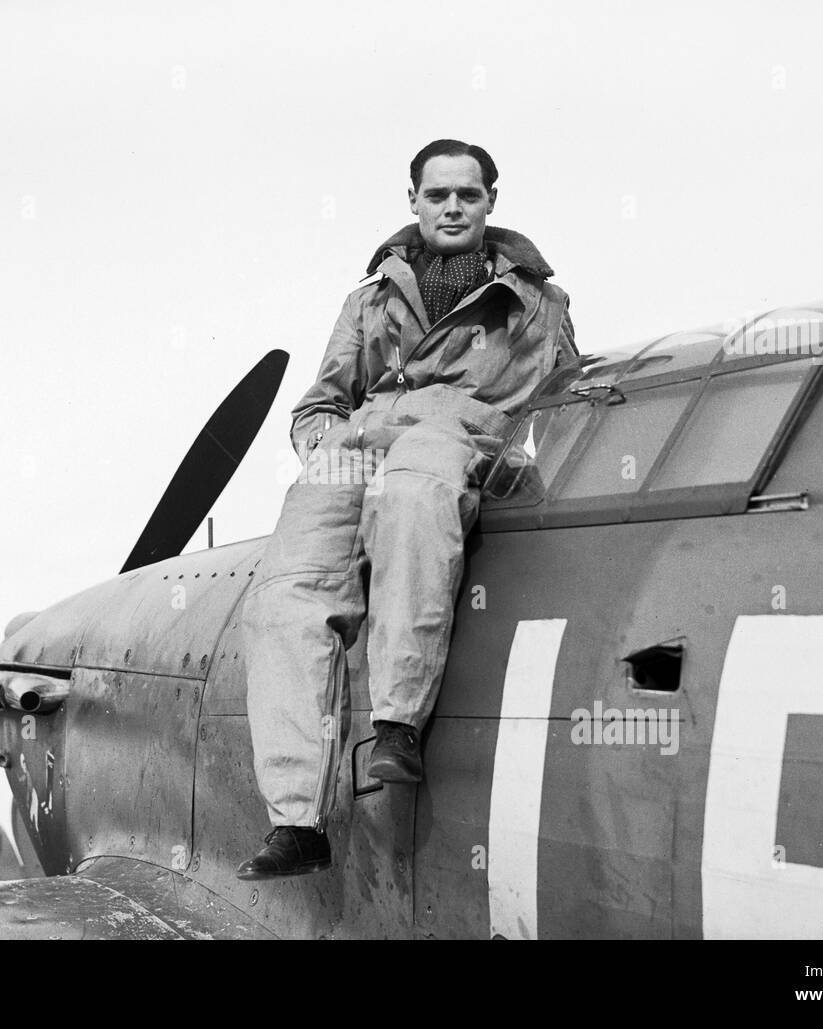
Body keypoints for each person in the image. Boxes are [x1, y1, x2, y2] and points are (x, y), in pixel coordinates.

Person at [236, 139, 575, 879]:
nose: (452, 206)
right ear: (414, 201)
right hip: (361, 442)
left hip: (455, 436)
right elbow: (321, 400)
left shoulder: (540, 305)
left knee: (415, 499)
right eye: (438, 194)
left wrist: (514, 461)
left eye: (468, 194)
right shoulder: (369, 299)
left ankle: (396, 725)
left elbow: (567, 404)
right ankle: (297, 819)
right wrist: (326, 449)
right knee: (284, 593)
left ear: (490, 202)